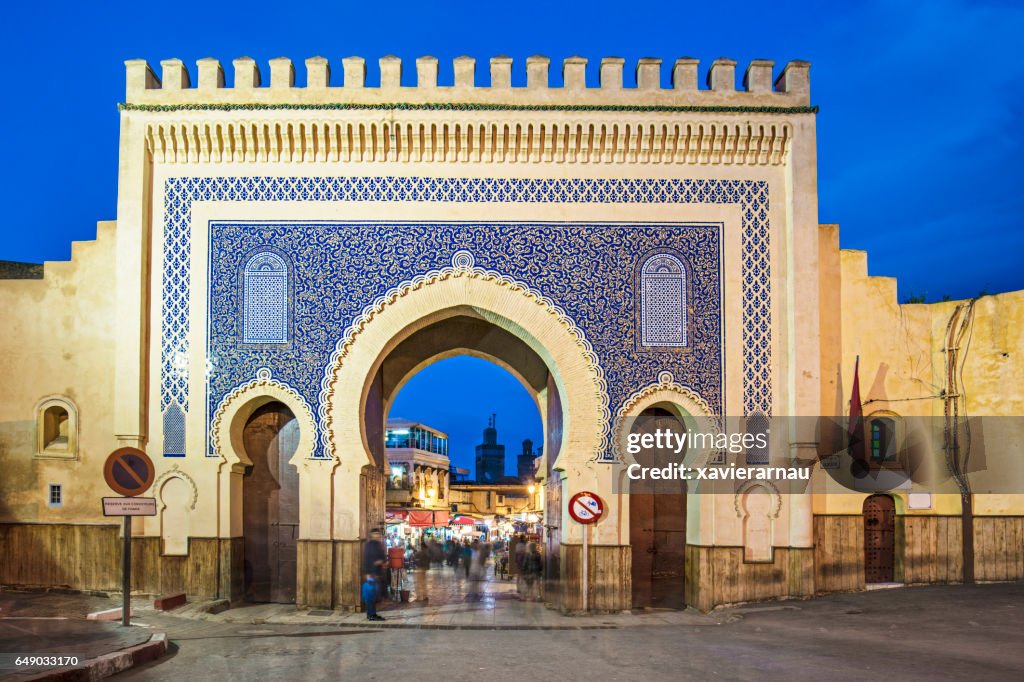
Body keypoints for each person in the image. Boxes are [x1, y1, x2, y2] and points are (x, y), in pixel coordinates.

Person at [362, 529, 387, 621]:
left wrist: (382, 561)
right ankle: (371, 615)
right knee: (371, 595)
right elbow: (367, 560)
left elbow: (383, 557)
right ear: (371, 535)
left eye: (378, 534)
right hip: (371, 574)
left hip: (377, 573)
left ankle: (373, 614)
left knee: (375, 595)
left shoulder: (378, 545)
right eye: (375, 534)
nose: (377, 535)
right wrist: (367, 573)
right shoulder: (369, 545)